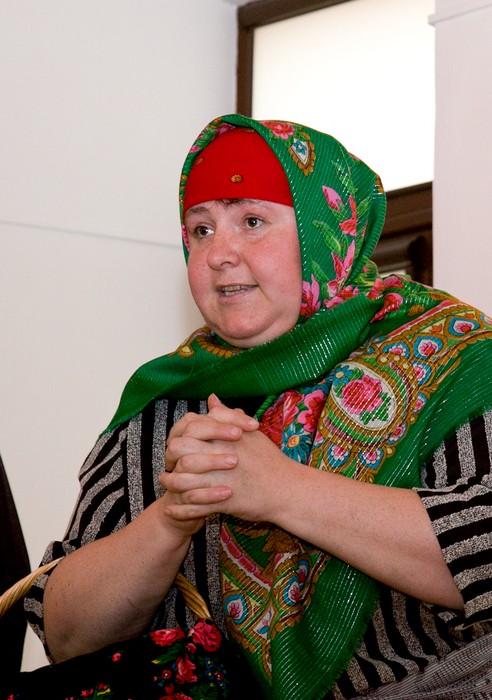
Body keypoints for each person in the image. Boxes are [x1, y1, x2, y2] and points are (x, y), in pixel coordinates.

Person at [24, 114, 492, 699]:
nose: (219, 253)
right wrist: (172, 516)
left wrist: (281, 489)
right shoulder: (163, 403)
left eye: (251, 221)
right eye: (200, 230)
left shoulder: (456, 361)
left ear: (325, 233)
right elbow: (67, 638)